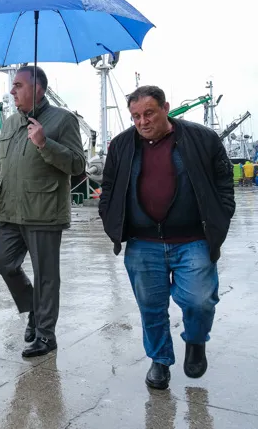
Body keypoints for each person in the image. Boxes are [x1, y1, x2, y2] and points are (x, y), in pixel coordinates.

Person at [99, 86, 235, 390]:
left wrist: (220, 217)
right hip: (143, 243)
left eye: (149, 113)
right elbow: (108, 186)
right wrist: (111, 221)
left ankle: (196, 341)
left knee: (200, 301)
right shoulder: (121, 145)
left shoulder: (202, 139)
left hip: (193, 239)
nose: (142, 121)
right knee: (151, 307)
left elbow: (224, 182)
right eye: (135, 116)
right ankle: (159, 360)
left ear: (166, 108)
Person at [0, 65, 85, 358]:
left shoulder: (63, 120)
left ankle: (45, 335)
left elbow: (78, 165)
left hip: (43, 211)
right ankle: (33, 308)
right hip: (9, 209)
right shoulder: (8, 123)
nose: (12, 90)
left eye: (18, 85)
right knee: (4, 262)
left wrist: (45, 143)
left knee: (46, 276)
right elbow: (2, 164)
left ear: (38, 89)